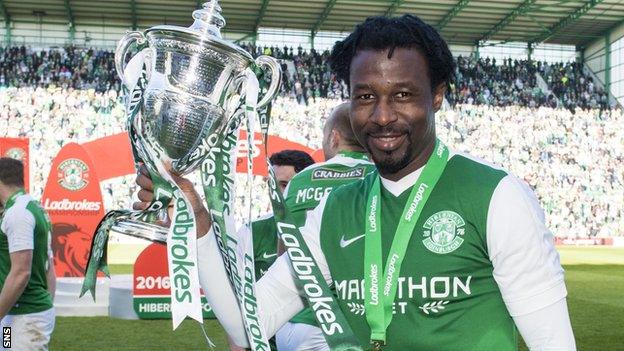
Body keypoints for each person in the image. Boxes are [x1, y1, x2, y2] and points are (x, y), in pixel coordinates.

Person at [138, 16, 577, 350]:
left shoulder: (496, 198)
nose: (382, 116)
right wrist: (197, 224)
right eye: (365, 97)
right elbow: (248, 324)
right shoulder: (333, 211)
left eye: (402, 95)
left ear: (437, 96)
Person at [0, 158, 55, 350]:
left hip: (24, 318)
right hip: (12, 317)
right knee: (5, 347)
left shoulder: (18, 213)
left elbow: (21, 272)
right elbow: (49, 266)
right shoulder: (33, 208)